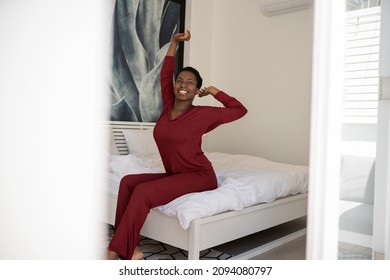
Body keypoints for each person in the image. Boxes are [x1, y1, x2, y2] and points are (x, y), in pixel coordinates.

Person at [107, 30, 247, 260]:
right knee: (128, 181)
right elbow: (165, 73)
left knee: (143, 191)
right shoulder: (167, 105)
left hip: (199, 175)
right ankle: (129, 247)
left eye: (190, 83)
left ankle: (116, 250)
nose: (183, 85)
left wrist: (214, 91)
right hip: (175, 174)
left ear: (196, 90)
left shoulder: (203, 114)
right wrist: (173, 43)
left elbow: (239, 110)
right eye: (180, 80)